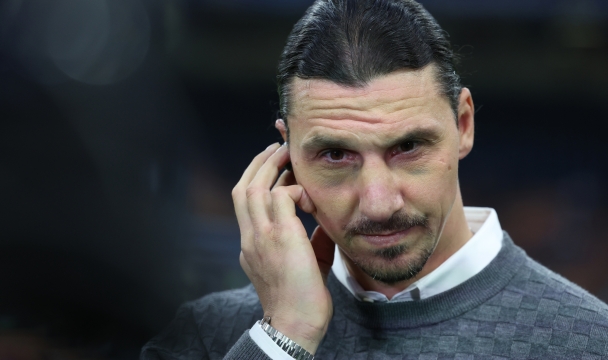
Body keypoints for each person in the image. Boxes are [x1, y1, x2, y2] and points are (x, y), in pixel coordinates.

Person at [141, 0, 608, 359]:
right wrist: (284, 336)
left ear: (463, 125)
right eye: (336, 154)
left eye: (408, 147)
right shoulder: (204, 336)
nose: (379, 202)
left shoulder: (590, 341)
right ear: (286, 156)